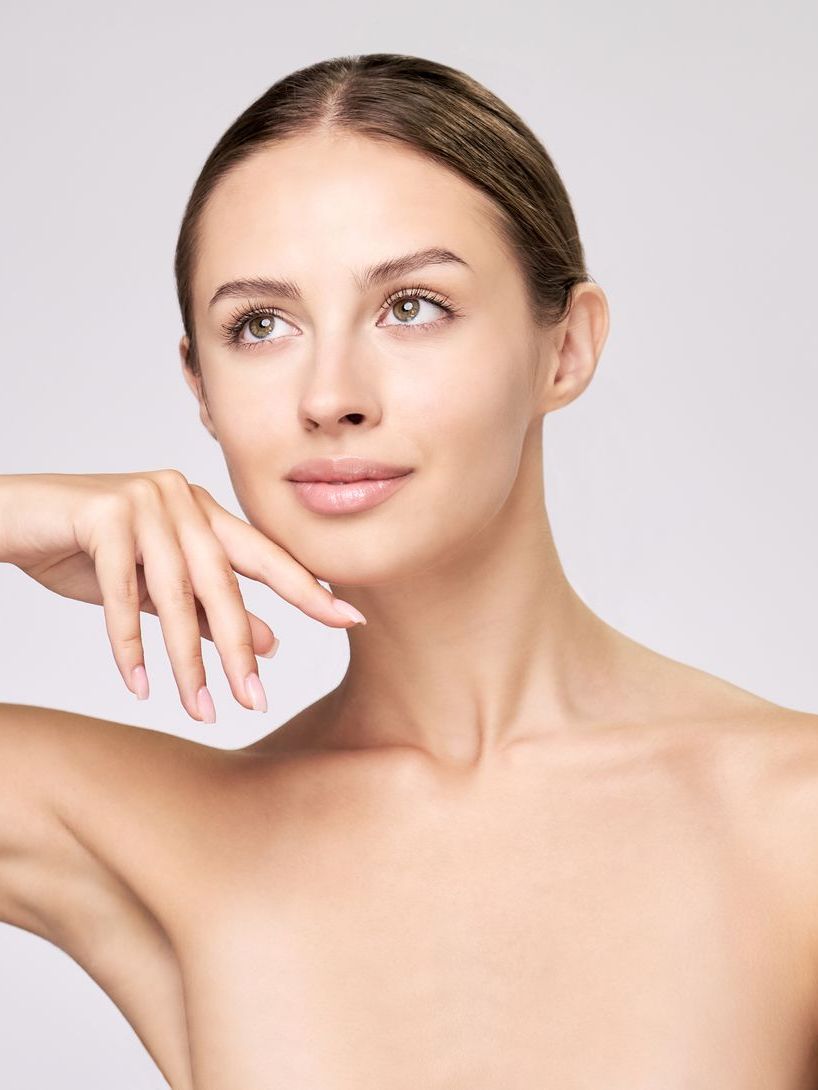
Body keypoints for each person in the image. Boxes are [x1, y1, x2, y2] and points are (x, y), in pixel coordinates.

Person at [1, 51, 817, 1090]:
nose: (329, 394)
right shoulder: (174, 838)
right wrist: (14, 509)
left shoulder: (793, 820)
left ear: (563, 348)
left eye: (411, 306)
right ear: (199, 390)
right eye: (260, 325)